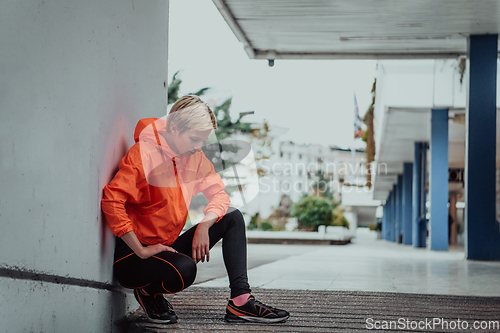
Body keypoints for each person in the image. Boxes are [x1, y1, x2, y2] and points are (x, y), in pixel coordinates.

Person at [101, 95, 289, 324]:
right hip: (134, 257)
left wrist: (205, 224)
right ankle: (148, 292)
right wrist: (141, 250)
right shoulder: (143, 155)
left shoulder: (194, 158)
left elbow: (219, 194)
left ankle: (241, 302)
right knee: (185, 270)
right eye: (194, 139)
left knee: (232, 217)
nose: (199, 147)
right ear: (173, 128)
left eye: (203, 140)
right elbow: (112, 199)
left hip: (166, 248)